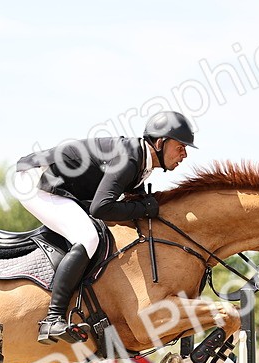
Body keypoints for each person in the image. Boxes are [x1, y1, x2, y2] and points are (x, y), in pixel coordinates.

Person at [13, 111, 196, 344]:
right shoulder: (130, 158)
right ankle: (52, 319)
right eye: (180, 146)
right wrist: (143, 209)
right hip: (35, 181)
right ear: (160, 142)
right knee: (88, 237)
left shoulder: (141, 161)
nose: (185, 154)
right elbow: (100, 208)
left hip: (59, 184)